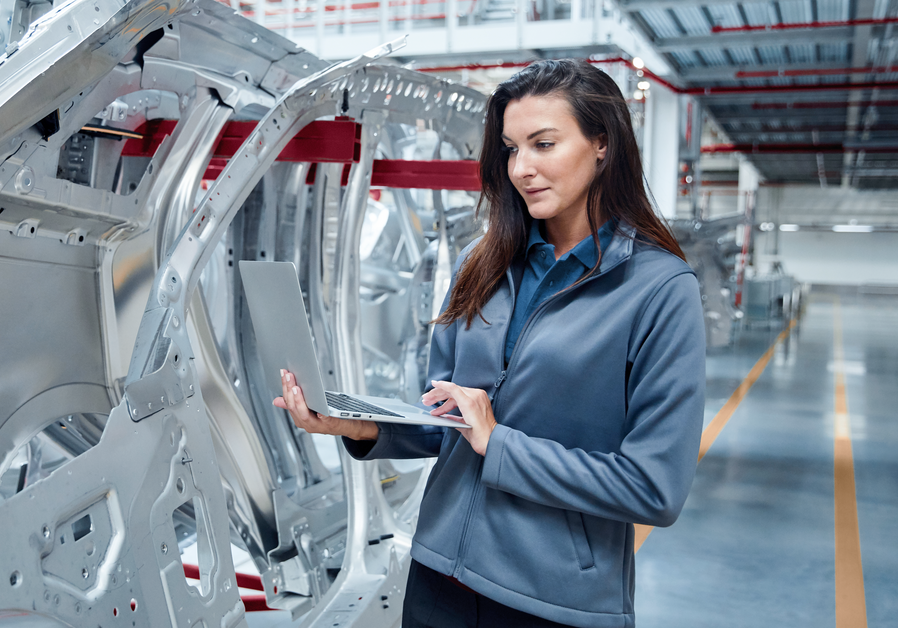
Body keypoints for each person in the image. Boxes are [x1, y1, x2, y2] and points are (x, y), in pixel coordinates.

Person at [273, 59, 706, 627]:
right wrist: (354, 425)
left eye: (543, 144)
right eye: (510, 148)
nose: (522, 167)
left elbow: (654, 488)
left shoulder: (659, 290)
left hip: (551, 601)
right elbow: (448, 422)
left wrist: (499, 443)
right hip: (437, 577)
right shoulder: (486, 265)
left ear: (602, 144)